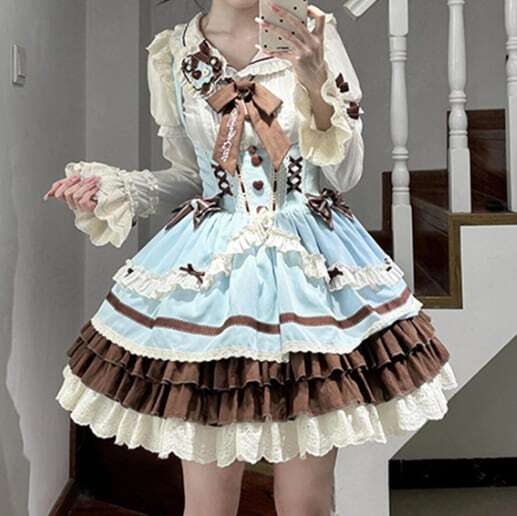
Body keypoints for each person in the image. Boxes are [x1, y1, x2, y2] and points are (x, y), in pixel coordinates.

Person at [44, 1, 458, 515]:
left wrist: (314, 78)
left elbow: (347, 171)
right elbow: (191, 175)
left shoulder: (312, 33)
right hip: (213, 283)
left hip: (308, 274)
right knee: (208, 505)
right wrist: (116, 189)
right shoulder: (175, 53)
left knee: (306, 503)